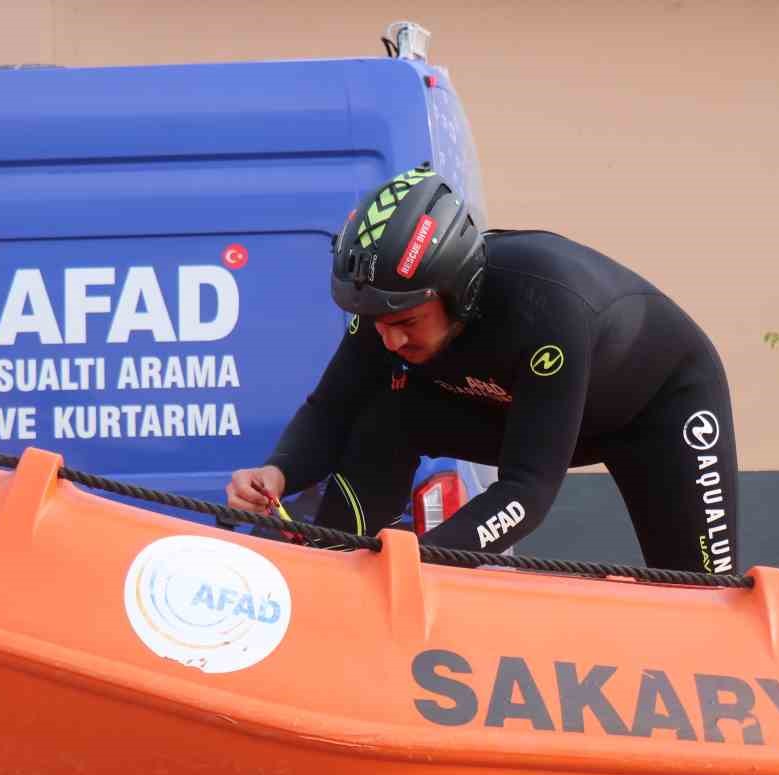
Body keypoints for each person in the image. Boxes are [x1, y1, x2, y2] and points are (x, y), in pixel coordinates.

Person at [226, 166, 739, 574]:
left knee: (697, 589)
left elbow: (528, 490)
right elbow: (331, 409)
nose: (390, 338)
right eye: (374, 322)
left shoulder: (544, 307)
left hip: (659, 407)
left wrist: (424, 559)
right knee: (384, 412)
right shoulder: (388, 314)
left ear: (458, 292)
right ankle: (337, 567)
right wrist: (278, 471)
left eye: (405, 321)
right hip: (525, 402)